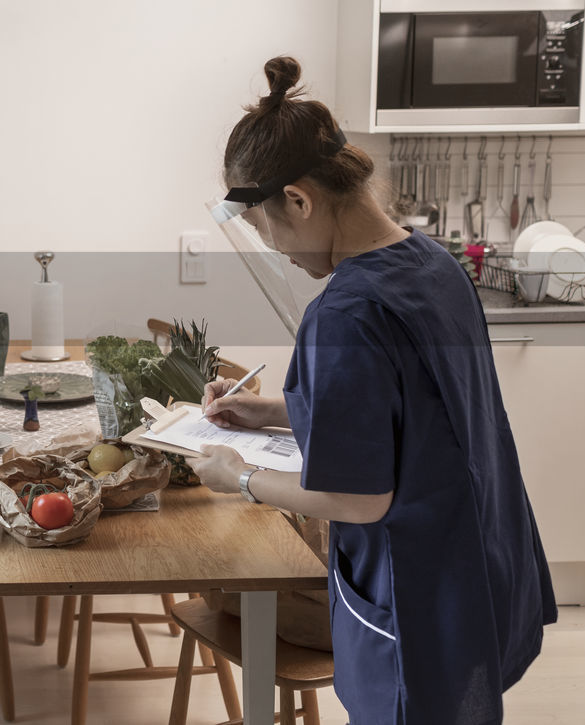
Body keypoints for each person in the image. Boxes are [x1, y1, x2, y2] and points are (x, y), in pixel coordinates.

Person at [191, 57, 556, 725]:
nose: (281, 254)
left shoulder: (345, 313)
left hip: (415, 592)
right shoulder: (434, 265)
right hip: (476, 564)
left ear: (298, 200)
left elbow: (358, 498)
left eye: (268, 235)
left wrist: (237, 475)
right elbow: (411, 418)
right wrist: (273, 412)